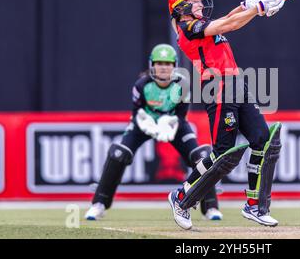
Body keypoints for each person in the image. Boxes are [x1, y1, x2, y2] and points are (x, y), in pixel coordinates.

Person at [166, 0, 285, 230]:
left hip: (237, 84)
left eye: (200, 0)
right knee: (222, 153)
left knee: (263, 140)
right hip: (217, 88)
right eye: (195, 1)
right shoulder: (188, 29)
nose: (200, 4)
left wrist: (246, 6)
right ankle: (182, 197)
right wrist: (258, 10)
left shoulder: (202, 26)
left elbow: (228, 19)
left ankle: (255, 206)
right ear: (182, 8)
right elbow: (229, 25)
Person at [85, 43, 223, 221]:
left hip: (173, 124)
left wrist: (170, 123)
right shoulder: (142, 85)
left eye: (167, 63)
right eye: (159, 63)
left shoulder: (182, 85)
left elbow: (181, 116)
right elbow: (136, 113)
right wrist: (145, 121)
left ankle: (210, 207)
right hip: (146, 124)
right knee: (118, 154)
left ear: (174, 65)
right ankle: (99, 203)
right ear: (152, 65)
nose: (163, 67)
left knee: (201, 156)